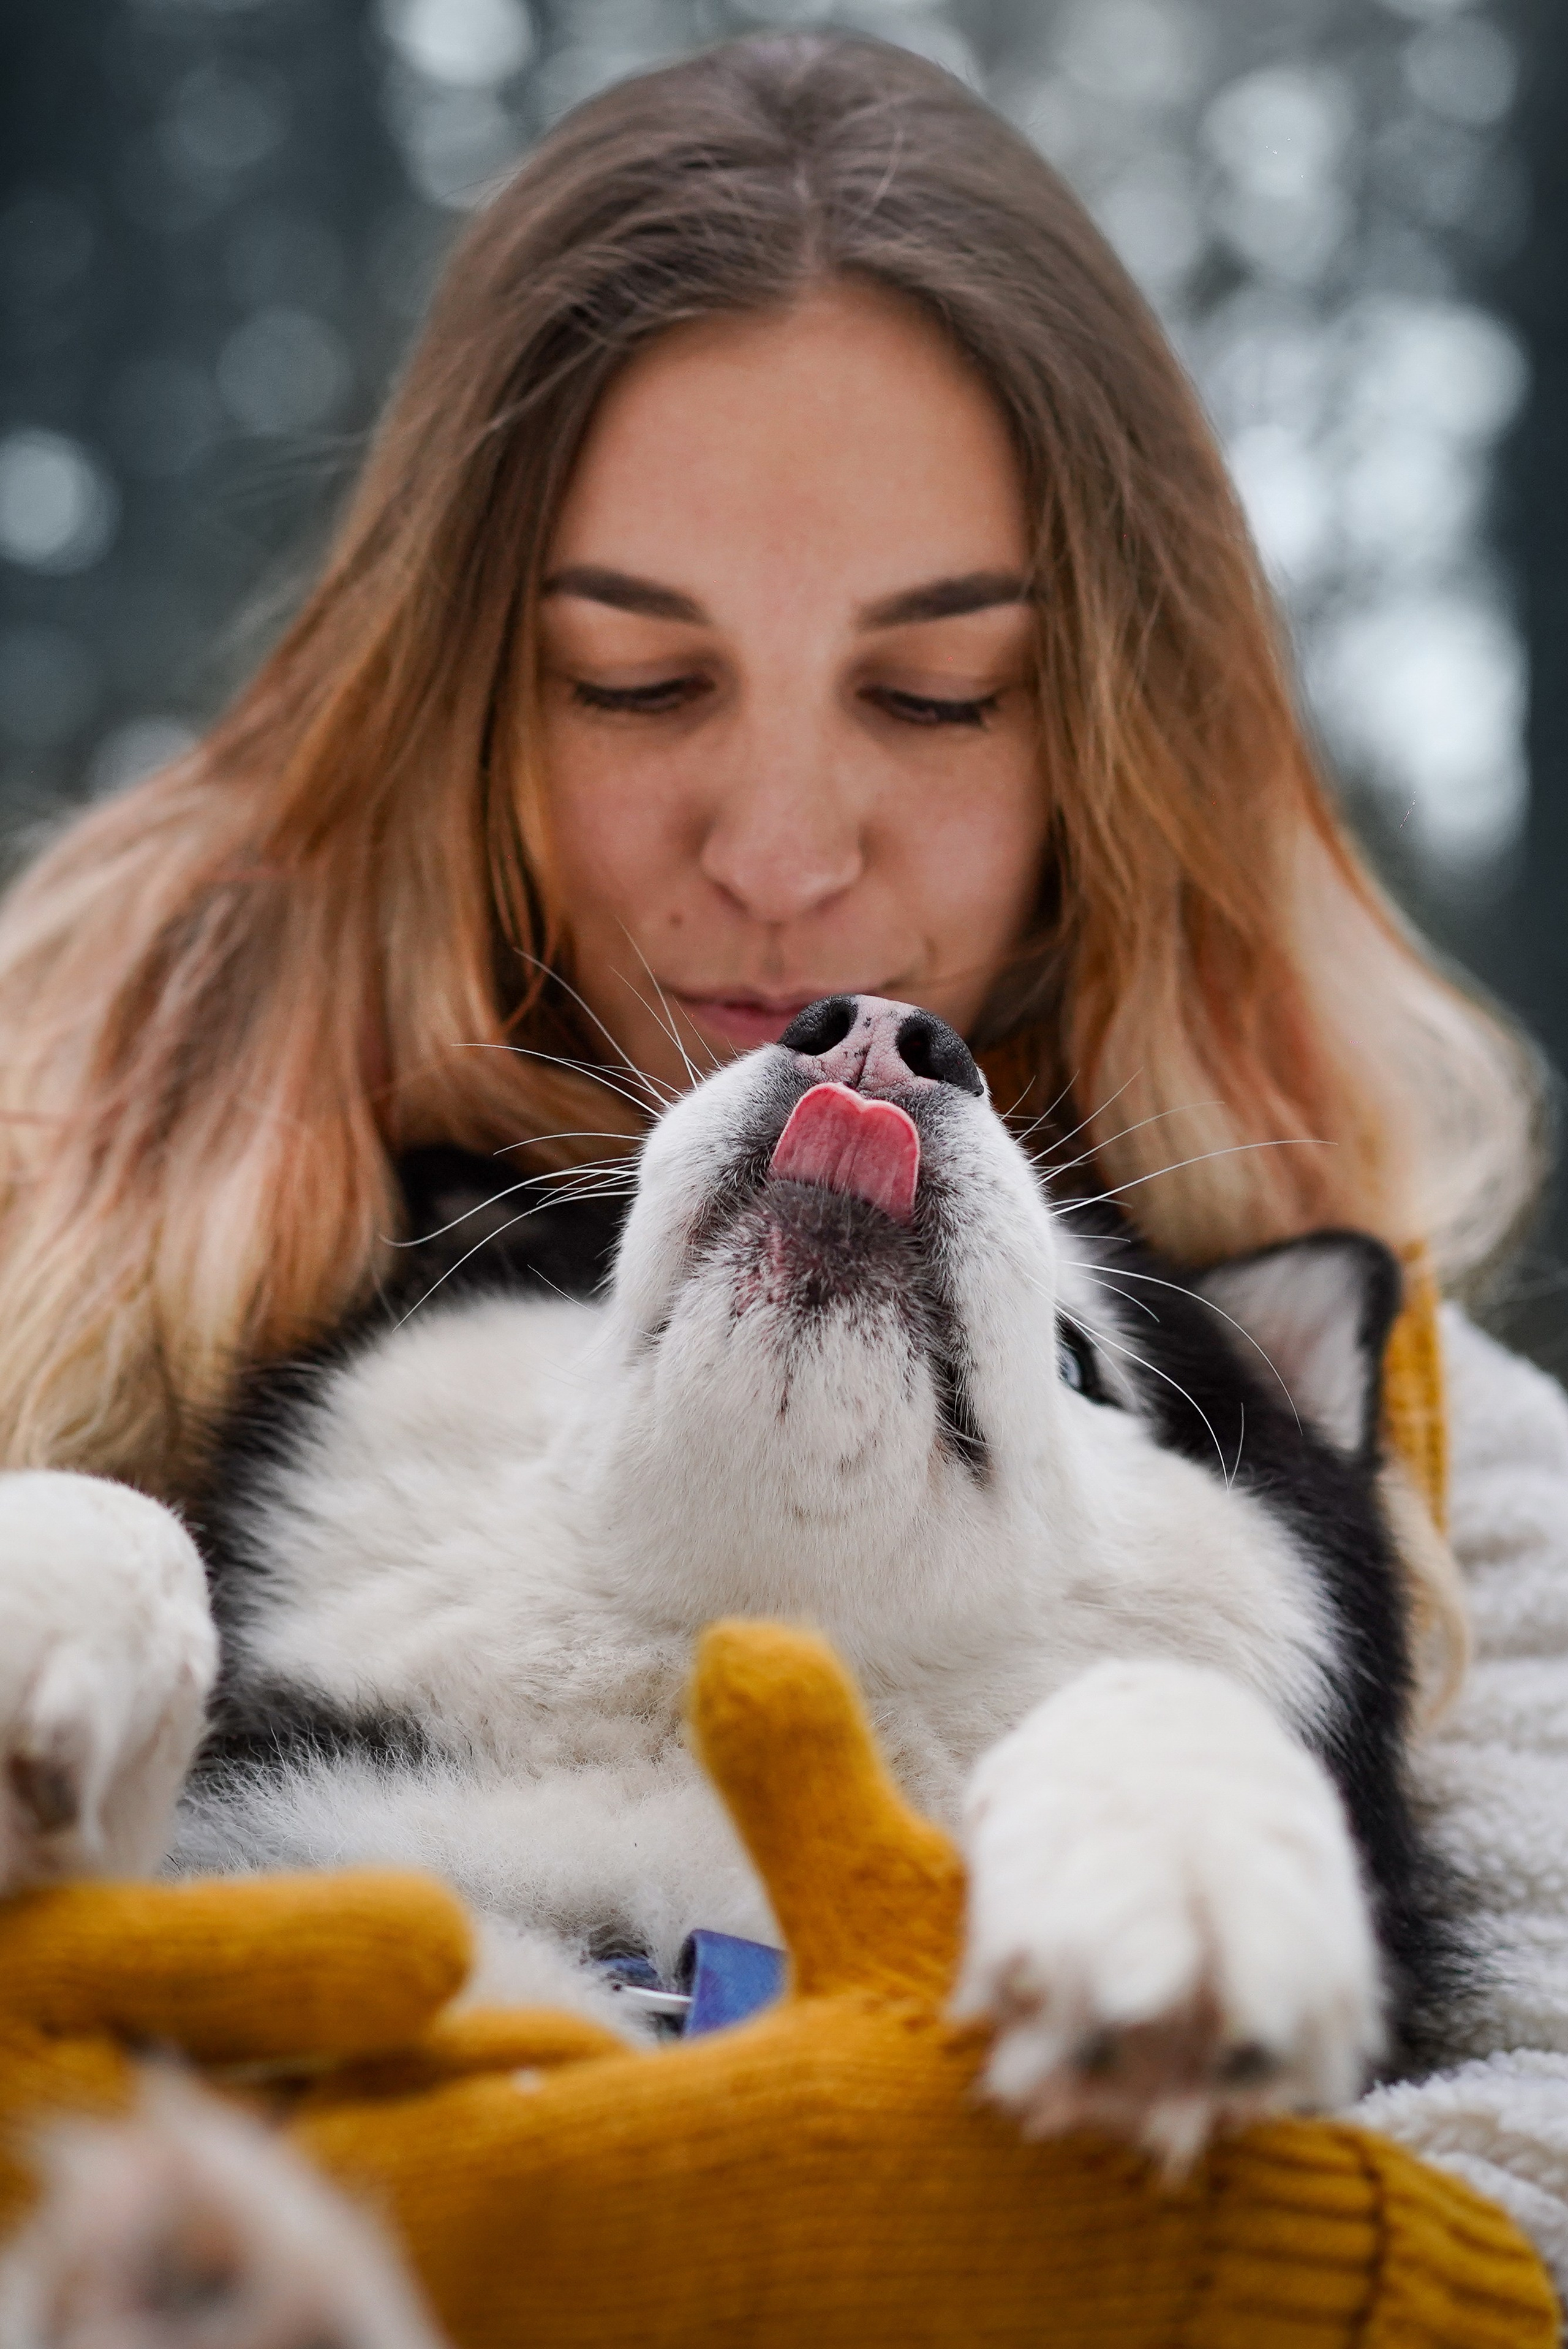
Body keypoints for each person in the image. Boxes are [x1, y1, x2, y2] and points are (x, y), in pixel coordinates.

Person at [1, 25, 1567, 2285]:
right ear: (461, 690)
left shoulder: (1445, 1466)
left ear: (1109, 728)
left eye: (935, 696)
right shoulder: (66, 1232)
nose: (785, 860)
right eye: (639, 682)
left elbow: (1536, 2173)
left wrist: (1089, 2259)